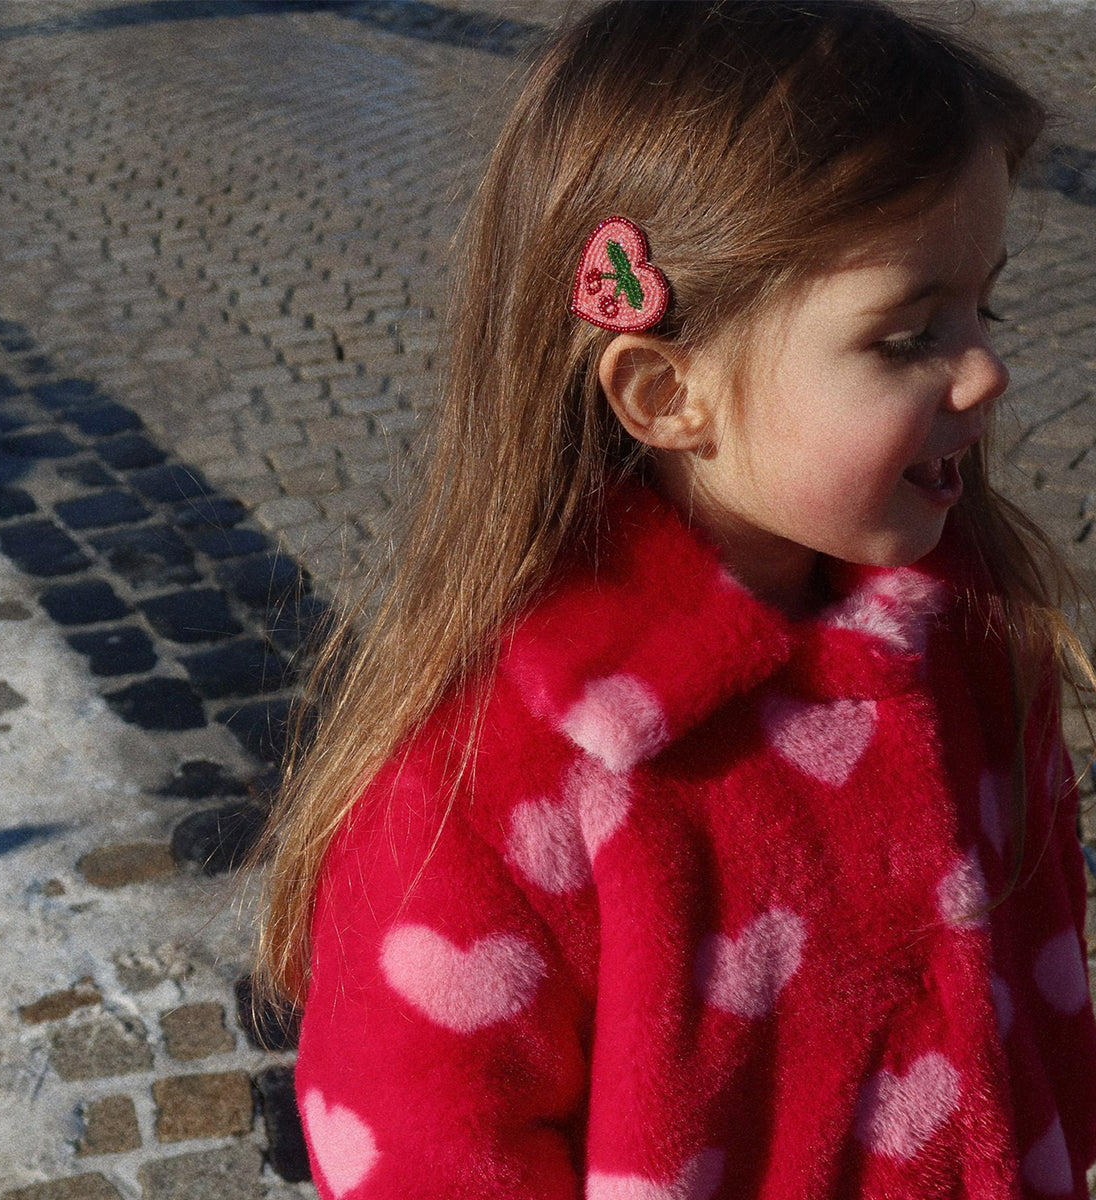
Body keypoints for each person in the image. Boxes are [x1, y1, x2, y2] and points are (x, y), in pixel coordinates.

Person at [255, 2, 1096, 1196]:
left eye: (986, 307)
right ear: (664, 393)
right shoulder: (498, 781)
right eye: (909, 336)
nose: (987, 369)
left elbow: (1041, 993)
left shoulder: (965, 638)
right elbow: (430, 1148)